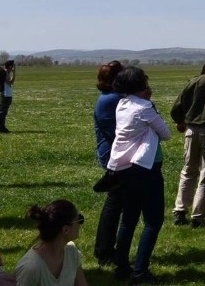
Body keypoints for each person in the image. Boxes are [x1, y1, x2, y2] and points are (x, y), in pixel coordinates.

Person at [107, 66, 172, 285]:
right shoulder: (144, 107)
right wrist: (151, 106)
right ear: (140, 85)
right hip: (147, 167)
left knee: (129, 219)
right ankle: (140, 270)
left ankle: (122, 265)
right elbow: (166, 133)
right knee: (153, 221)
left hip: (124, 167)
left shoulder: (122, 104)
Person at [169, 51, 205, 227]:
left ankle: (180, 210)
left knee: (188, 170)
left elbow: (176, 107)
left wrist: (181, 121)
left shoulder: (195, 81)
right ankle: (199, 214)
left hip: (191, 130)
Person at [92, 61, 125, 265]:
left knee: (117, 202)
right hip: (114, 156)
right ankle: (104, 250)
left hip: (113, 154)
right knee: (115, 203)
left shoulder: (109, 97)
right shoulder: (112, 99)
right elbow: (116, 134)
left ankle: (106, 249)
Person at [14, 200, 88, 286]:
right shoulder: (31, 267)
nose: (80, 224)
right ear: (65, 230)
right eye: (79, 219)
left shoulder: (71, 252)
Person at [0, 61, 15, 134]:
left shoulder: (7, 73)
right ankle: (0, 127)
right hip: (5, 94)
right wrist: (14, 73)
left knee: (4, 112)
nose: (13, 67)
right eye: (13, 66)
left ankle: (1, 126)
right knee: (2, 112)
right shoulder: (4, 73)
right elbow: (10, 82)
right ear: (10, 66)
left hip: (8, 94)